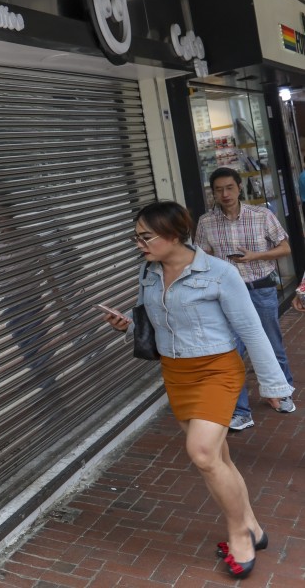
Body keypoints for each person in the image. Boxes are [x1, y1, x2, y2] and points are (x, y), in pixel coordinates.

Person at [102, 201, 294, 579]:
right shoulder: (148, 272)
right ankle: (253, 525)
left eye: (145, 236)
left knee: (203, 454)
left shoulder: (220, 273)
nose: (138, 244)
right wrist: (126, 327)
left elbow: (252, 329)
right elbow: (150, 320)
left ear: (174, 234)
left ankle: (239, 535)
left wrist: (274, 384)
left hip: (216, 370)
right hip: (176, 372)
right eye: (135, 236)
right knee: (217, 459)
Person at [194, 167, 295, 431]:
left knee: (271, 343)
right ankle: (240, 411)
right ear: (213, 193)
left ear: (239, 187)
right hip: (226, 295)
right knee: (231, 353)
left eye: (229, 187)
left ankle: (280, 391)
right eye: (218, 189)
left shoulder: (261, 215)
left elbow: (285, 247)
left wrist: (255, 256)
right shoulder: (206, 222)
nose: (224, 194)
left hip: (260, 288)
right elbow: (201, 258)